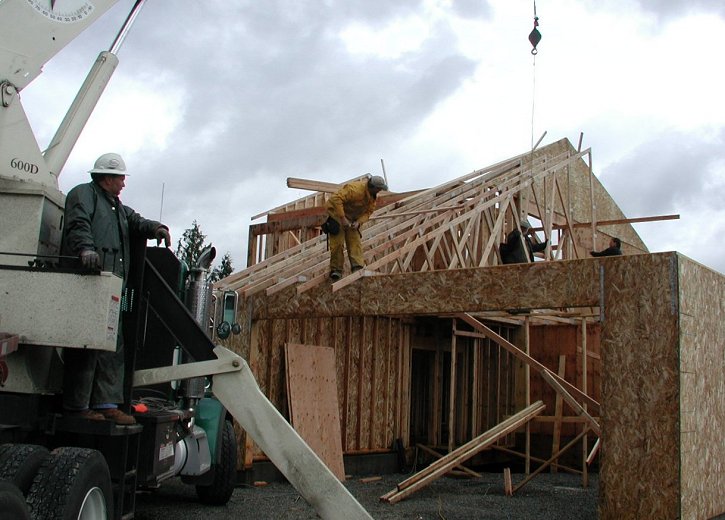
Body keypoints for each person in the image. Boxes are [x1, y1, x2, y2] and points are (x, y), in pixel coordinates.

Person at [60, 152, 171, 424]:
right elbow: (78, 225)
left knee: (112, 345)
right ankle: (77, 406)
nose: (123, 183)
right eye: (120, 178)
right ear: (107, 178)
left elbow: (136, 221)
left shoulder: (117, 208)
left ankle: (106, 404)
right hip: (88, 283)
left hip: (110, 287)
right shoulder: (84, 195)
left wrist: (156, 228)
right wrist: (86, 249)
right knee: (86, 344)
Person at [323, 175, 388, 280]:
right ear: (373, 187)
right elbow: (336, 199)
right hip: (337, 215)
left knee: (355, 242)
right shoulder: (354, 189)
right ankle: (336, 270)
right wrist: (342, 218)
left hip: (352, 218)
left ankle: (357, 267)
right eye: (379, 188)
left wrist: (358, 222)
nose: (380, 191)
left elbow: (368, 212)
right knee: (337, 244)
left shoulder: (372, 197)